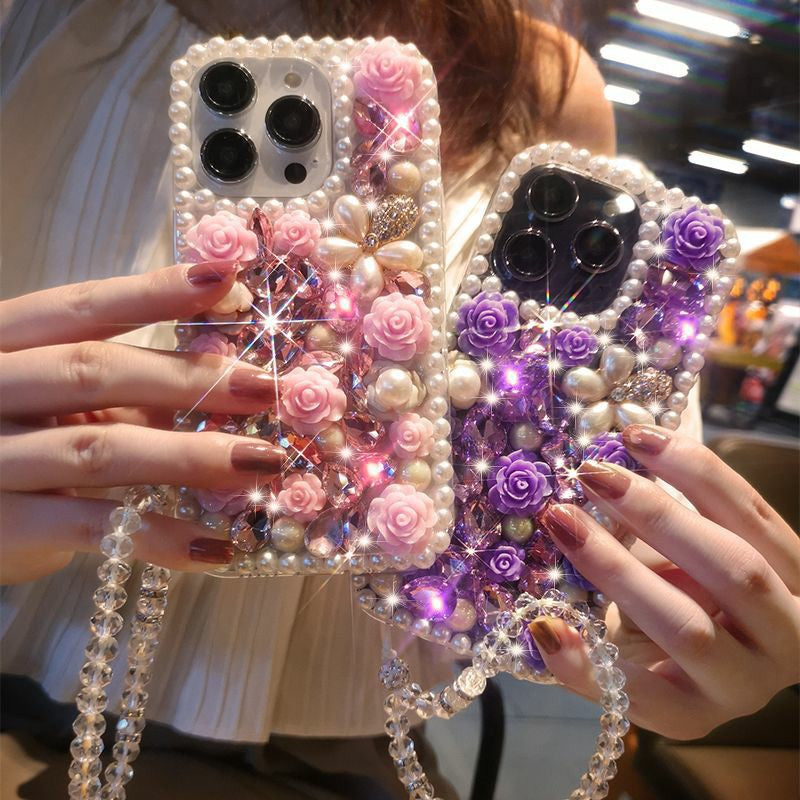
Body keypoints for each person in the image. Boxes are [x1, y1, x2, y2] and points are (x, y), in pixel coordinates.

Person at [1, 1, 797, 798]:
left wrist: (644, 628)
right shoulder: (36, 22)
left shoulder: (543, 84)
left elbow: (606, 499)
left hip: (351, 762)